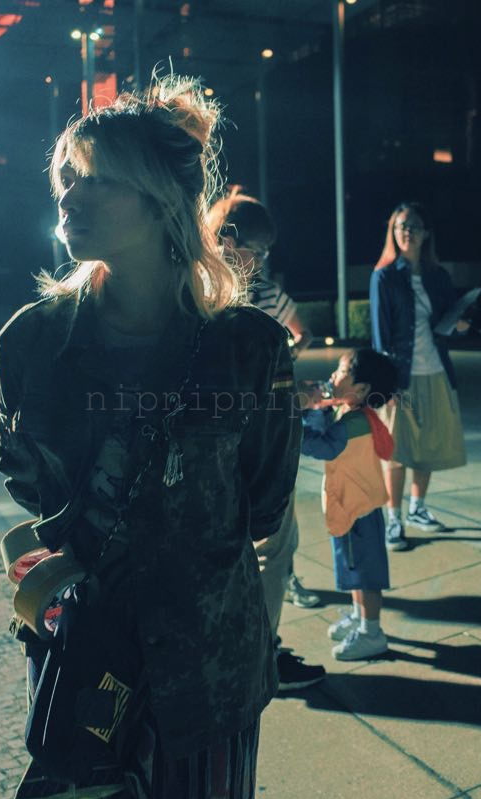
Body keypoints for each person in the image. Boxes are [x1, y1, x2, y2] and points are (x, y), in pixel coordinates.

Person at [0, 76, 301, 799]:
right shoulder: (29, 344)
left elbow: (266, 505)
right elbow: (28, 484)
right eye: (68, 178)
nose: (70, 197)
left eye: (97, 180)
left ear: (162, 201)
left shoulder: (249, 348)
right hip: (84, 661)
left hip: (209, 674)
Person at [207, 188, 325, 692]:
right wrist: (289, 386)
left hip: (220, 451)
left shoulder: (191, 287)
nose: (262, 260)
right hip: (258, 448)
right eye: (259, 249)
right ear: (231, 243)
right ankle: (261, 657)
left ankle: (241, 649)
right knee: (273, 549)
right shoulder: (248, 298)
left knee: (248, 550)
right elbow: (247, 387)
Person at [369, 201, 468, 552]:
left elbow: (447, 322)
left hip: (436, 370)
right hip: (401, 376)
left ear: (426, 234)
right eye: (400, 226)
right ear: (393, 233)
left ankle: (417, 509)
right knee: (396, 450)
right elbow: (380, 336)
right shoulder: (384, 277)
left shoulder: (438, 276)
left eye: (413, 226)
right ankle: (393, 519)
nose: (407, 232)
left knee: (427, 444)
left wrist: (460, 325)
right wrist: (386, 383)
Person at [299, 349, 397, 660]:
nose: (333, 375)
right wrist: (318, 405)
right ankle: (359, 617)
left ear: (362, 388)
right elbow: (326, 427)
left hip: (358, 510)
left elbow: (322, 446)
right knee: (355, 569)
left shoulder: (355, 423)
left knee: (366, 576)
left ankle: (372, 633)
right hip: (354, 505)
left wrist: (297, 422)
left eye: (341, 371)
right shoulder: (350, 412)